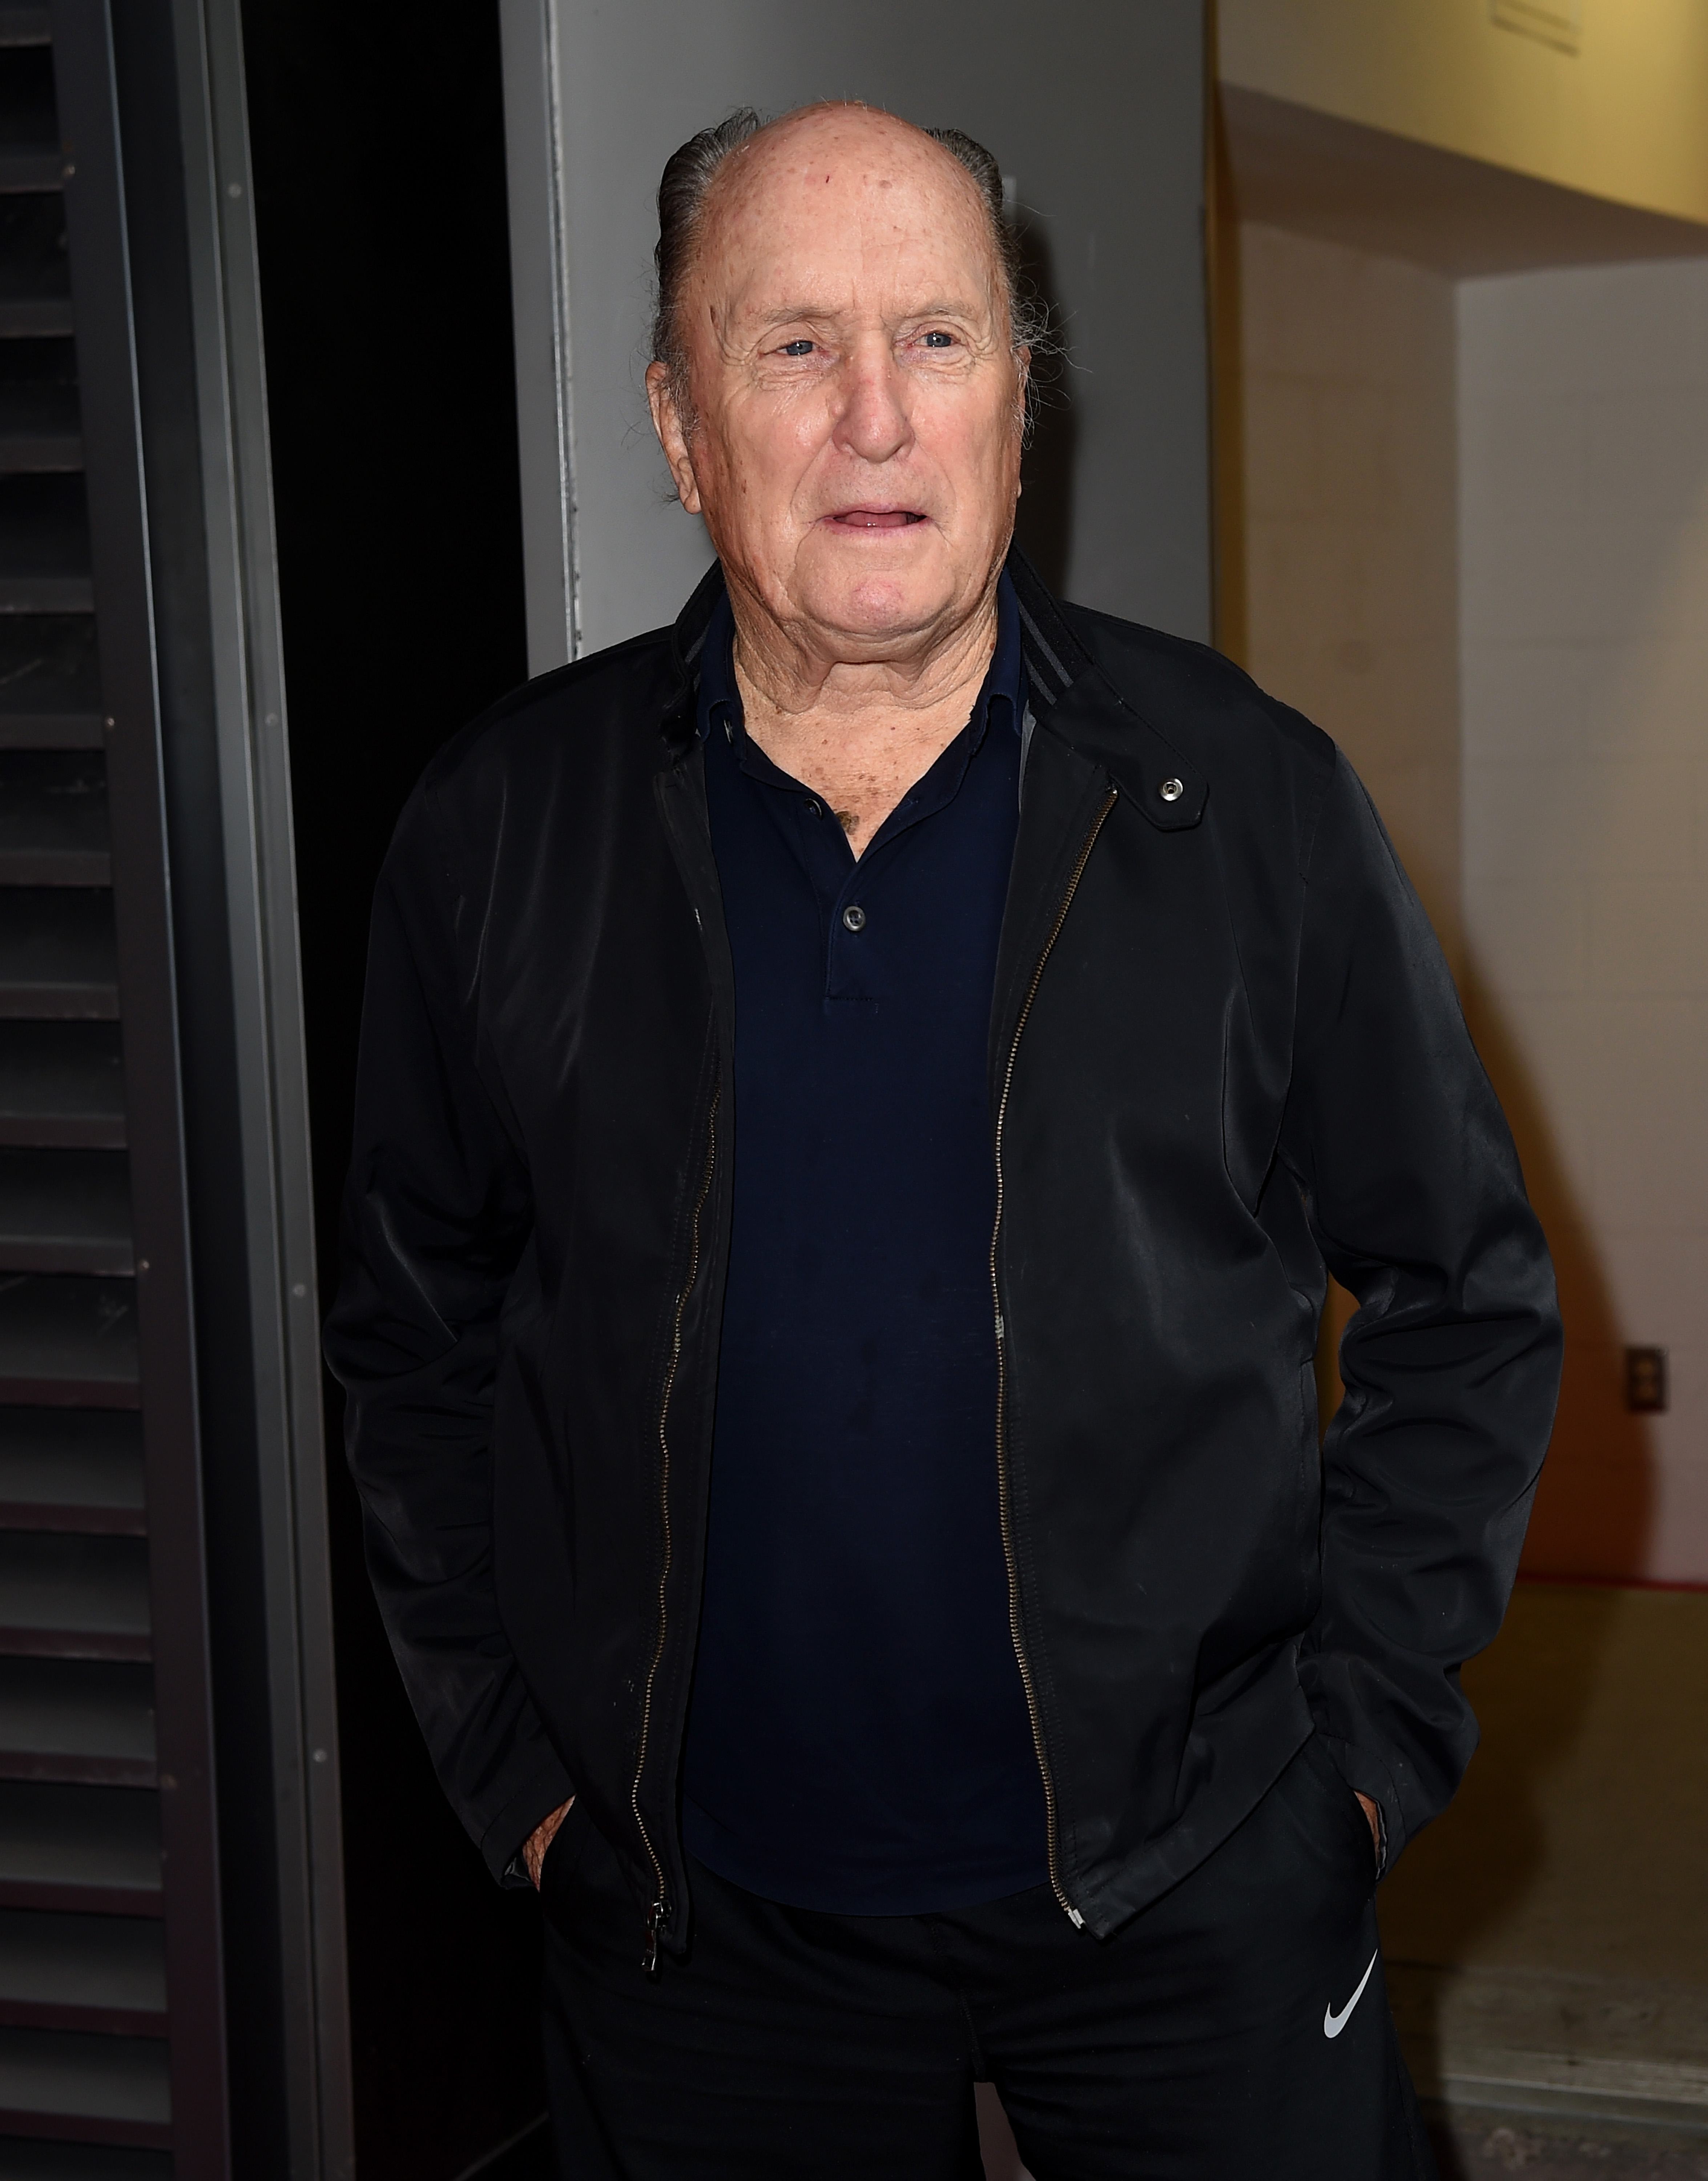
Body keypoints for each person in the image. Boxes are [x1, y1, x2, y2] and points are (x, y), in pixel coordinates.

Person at [326, 101, 1561, 2180]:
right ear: (677, 418)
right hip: (700, 1926)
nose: (877, 419)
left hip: (1194, 1881)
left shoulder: (1242, 804)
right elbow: (411, 1333)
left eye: (943, 340)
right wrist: (520, 1774)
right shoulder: (500, 833)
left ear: (1021, 402)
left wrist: (1352, 1764)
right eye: (792, 345)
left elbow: (1471, 1293)